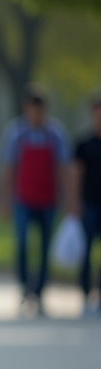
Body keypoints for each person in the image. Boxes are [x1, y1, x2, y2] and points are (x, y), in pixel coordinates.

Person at [0, 84, 71, 316]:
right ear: (26, 108)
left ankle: (39, 292)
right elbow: (9, 169)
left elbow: (63, 168)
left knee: (45, 247)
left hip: (48, 199)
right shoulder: (16, 133)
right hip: (23, 199)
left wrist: (69, 198)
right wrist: (4, 200)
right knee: (22, 245)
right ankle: (23, 288)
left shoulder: (55, 134)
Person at [73, 95, 101, 317]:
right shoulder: (84, 144)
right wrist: (74, 202)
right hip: (89, 204)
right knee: (86, 251)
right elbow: (76, 176)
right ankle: (85, 294)